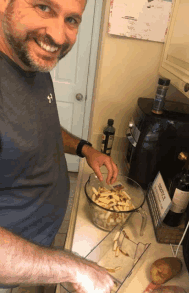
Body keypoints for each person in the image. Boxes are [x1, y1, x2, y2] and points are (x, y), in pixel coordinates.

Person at [0, 0, 118, 291]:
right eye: (43, 7)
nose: (58, 35)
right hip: (15, 267)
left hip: (43, 245)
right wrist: (73, 269)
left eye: (72, 20)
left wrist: (85, 149)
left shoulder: (31, 63)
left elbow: (41, 129)